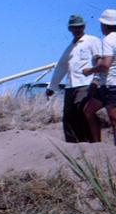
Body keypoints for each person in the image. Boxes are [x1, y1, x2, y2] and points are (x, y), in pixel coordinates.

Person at [46, 14, 101, 143]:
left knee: (82, 113)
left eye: (79, 27)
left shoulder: (92, 41)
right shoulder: (69, 48)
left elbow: (100, 60)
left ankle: (90, 145)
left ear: (84, 26)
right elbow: (61, 68)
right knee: (69, 118)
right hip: (70, 87)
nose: (77, 29)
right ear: (70, 29)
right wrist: (52, 87)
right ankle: (73, 148)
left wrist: (96, 79)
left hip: (86, 85)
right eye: (74, 27)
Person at [82, 9, 116, 145]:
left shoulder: (108, 40)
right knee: (89, 110)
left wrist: (90, 70)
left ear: (105, 25)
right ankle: (98, 146)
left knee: (113, 120)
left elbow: (106, 65)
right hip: (106, 86)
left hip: (110, 86)